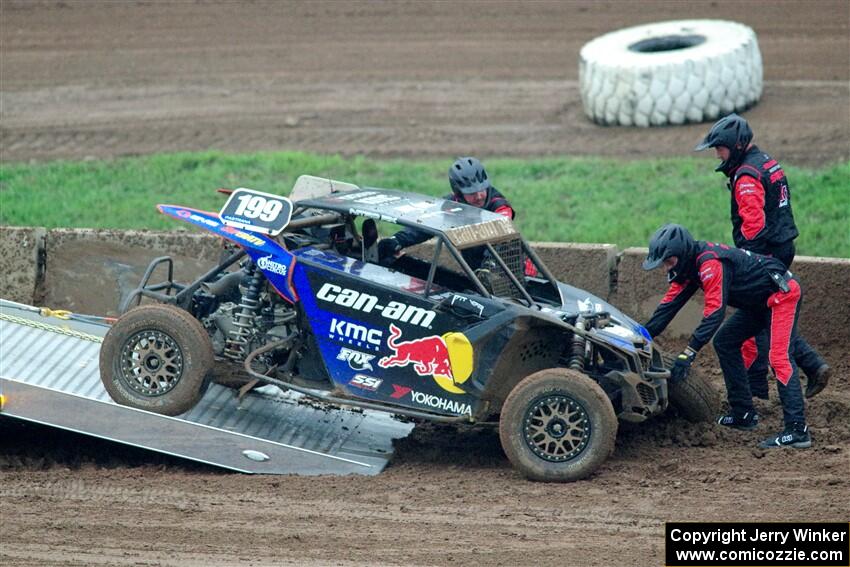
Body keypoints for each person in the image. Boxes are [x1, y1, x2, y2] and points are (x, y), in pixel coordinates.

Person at [695, 113, 830, 400]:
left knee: (762, 317)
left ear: (736, 145)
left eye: (720, 148)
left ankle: (765, 385)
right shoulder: (765, 161)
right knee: (765, 315)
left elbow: (753, 226)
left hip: (765, 252)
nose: (717, 154)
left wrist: (749, 263)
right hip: (781, 246)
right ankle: (809, 367)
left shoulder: (746, 176)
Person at [642, 224, 811, 449]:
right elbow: (666, 309)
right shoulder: (686, 268)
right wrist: (638, 335)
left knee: (779, 358)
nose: (665, 268)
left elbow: (714, 313)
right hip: (759, 303)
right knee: (725, 341)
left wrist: (689, 353)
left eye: (668, 261)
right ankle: (743, 414)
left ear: (681, 254)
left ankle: (798, 431)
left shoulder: (710, 264)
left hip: (781, 296)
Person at [378, 156, 517, 267]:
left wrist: (489, 265)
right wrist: (397, 240)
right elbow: (426, 225)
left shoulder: (499, 205)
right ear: (458, 192)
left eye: (482, 189)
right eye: (472, 193)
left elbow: (501, 235)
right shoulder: (450, 204)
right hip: (479, 271)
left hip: (512, 269)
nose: (479, 196)